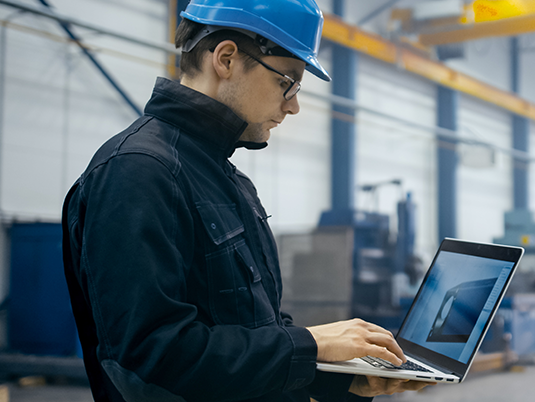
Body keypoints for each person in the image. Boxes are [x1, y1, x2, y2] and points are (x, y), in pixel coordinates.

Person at [61, 0, 432, 400]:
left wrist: (339, 378)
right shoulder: (138, 172)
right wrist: (311, 345)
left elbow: (258, 330)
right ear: (226, 59)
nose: (293, 105)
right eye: (286, 81)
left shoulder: (228, 180)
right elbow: (152, 357)